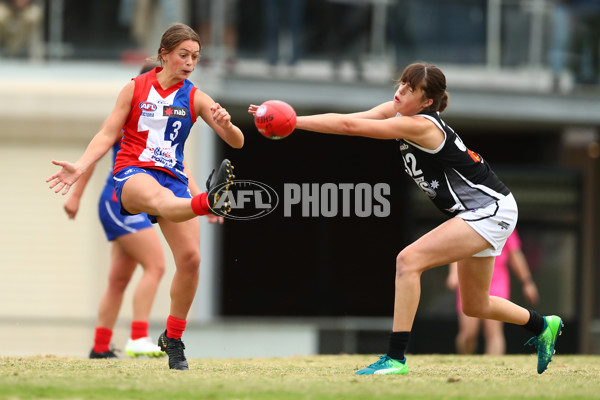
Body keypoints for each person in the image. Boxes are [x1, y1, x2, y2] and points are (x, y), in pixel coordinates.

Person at [249, 62, 562, 375]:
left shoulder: (422, 126)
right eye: (401, 84)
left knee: (408, 261)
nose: (399, 92)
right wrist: (289, 120)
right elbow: (349, 120)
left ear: (426, 102)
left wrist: (290, 122)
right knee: (475, 305)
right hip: (483, 209)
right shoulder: (398, 111)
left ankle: (395, 358)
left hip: (490, 209)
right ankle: (543, 325)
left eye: (410, 90)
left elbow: (349, 128)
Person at [47, 23, 244, 370]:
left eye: (195, 57)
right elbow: (107, 133)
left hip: (174, 179)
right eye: (183, 55)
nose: (189, 62)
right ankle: (207, 202)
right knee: (158, 203)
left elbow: (237, 141)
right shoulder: (135, 88)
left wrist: (227, 123)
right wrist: (79, 168)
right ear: (164, 54)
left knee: (191, 260)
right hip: (132, 173)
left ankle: (173, 337)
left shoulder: (196, 96)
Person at [446, 230, 540, 355]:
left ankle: (492, 366)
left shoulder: (504, 222)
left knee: (493, 331)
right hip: (470, 278)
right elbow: (459, 248)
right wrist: (453, 273)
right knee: (469, 332)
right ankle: (464, 363)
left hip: (497, 281)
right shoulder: (470, 221)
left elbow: (515, 254)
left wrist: (527, 282)